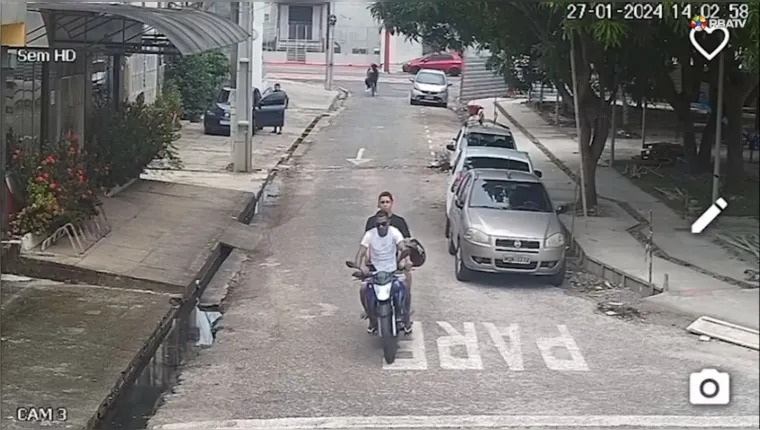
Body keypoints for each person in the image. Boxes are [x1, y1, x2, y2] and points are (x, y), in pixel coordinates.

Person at [361, 192, 415, 333]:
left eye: (387, 202)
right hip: (376, 267)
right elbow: (367, 245)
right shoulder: (371, 223)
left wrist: (406, 261)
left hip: (396, 265)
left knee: (406, 287)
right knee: (363, 289)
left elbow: (406, 245)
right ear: (378, 204)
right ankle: (372, 318)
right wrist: (366, 262)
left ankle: (405, 317)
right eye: (382, 202)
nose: (385, 205)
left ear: (392, 203)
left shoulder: (400, 223)